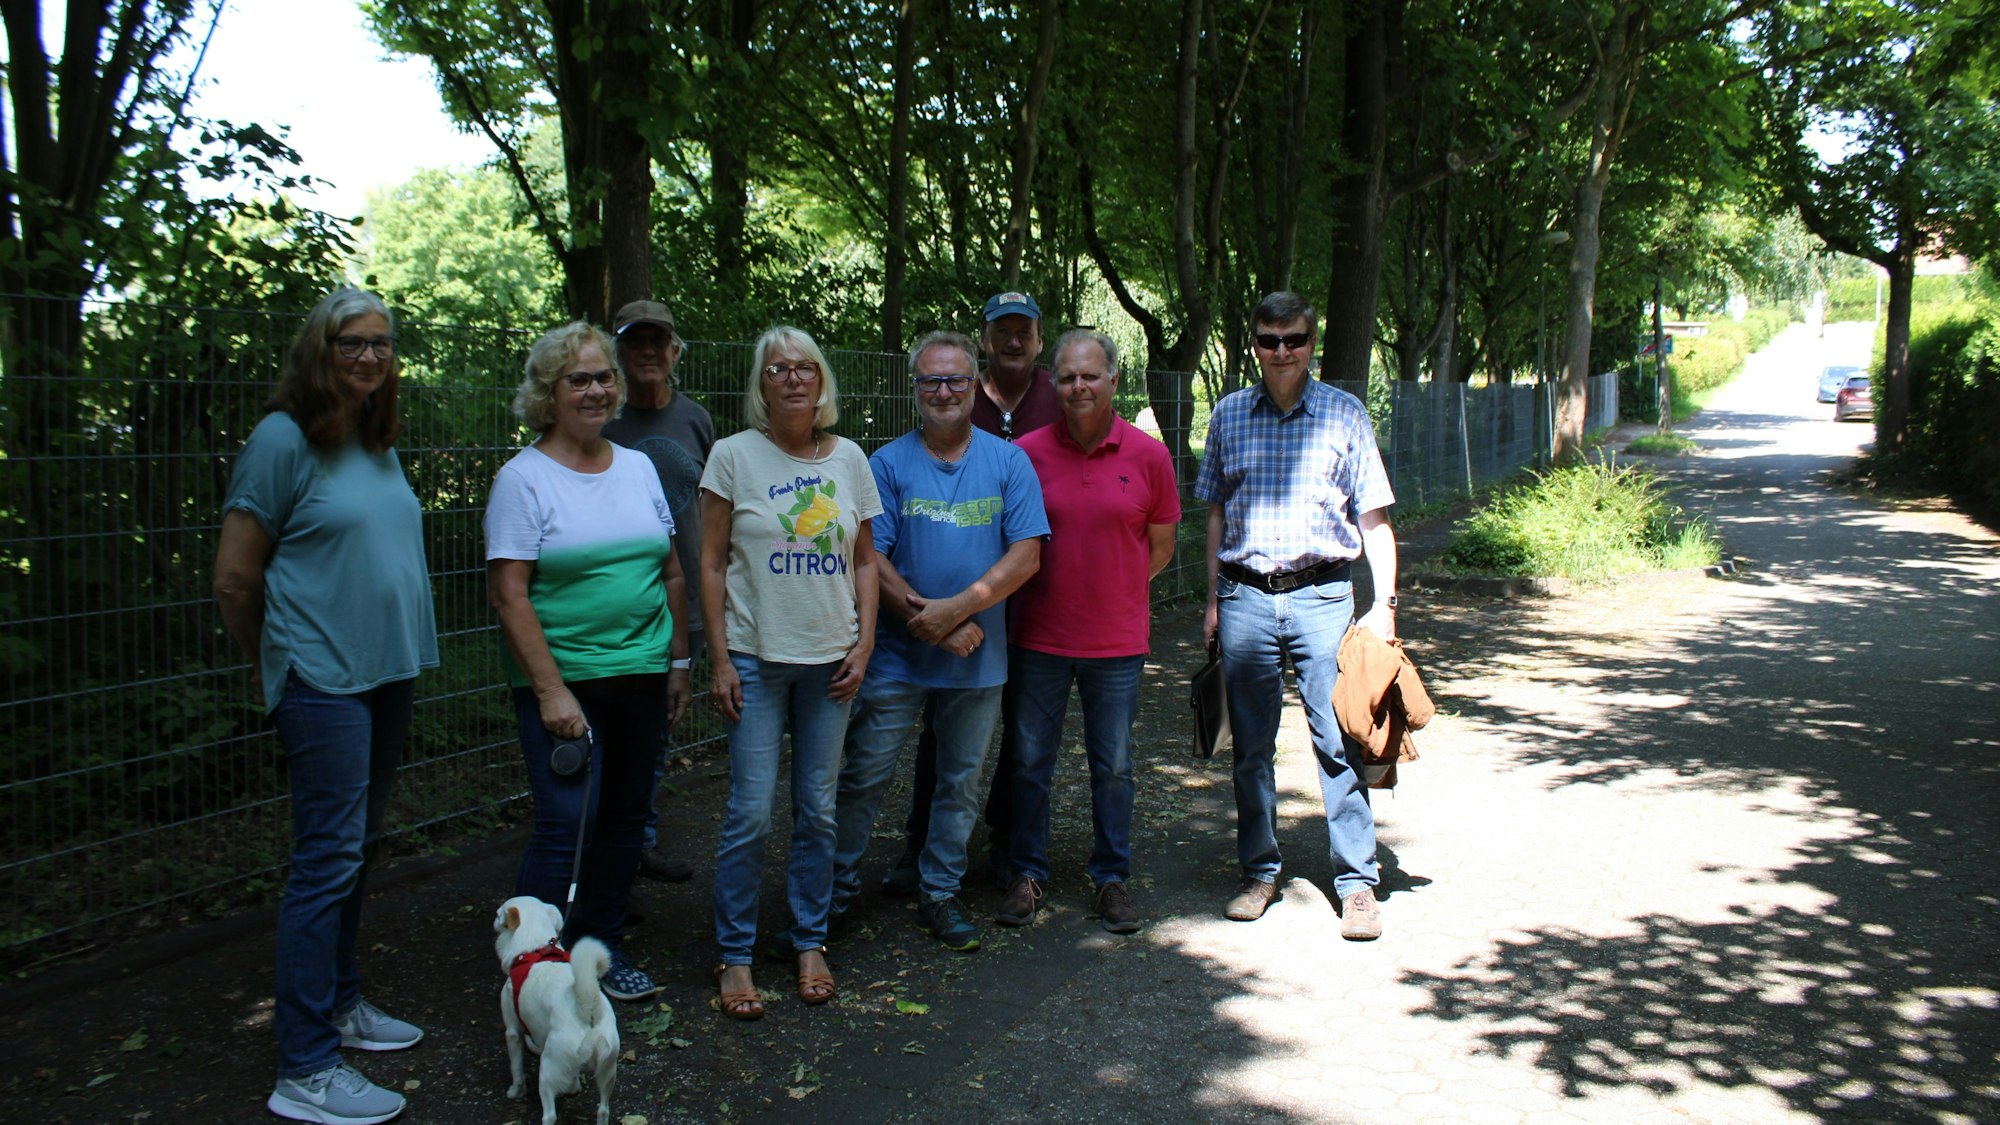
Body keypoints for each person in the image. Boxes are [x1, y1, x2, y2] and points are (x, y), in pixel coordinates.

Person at [214, 286, 440, 1125]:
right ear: (319, 349)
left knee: (358, 848)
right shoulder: (282, 439)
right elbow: (235, 576)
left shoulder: (373, 434)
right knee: (327, 859)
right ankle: (304, 1064)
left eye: (381, 342)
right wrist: (274, 660)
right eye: (353, 342)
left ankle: (341, 1003)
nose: (370, 356)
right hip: (323, 678)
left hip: (385, 671)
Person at [484, 321, 692, 1005]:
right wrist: (550, 691)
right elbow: (509, 593)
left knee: (626, 817)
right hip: (566, 681)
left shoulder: (636, 466)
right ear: (549, 393)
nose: (597, 390)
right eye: (579, 379)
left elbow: (670, 570)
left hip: (642, 673)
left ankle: (599, 947)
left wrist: (680, 661)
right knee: (567, 822)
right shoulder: (523, 479)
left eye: (605, 377)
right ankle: (533, 969)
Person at [832, 331, 1047, 953]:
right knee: (864, 775)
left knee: (960, 782)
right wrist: (934, 622)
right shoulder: (887, 465)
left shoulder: (1008, 463)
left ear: (975, 384)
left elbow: (1027, 555)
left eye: (955, 379)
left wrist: (958, 611)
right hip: (897, 656)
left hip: (978, 658)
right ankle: (832, 895)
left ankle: (941, 893)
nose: (944, 391)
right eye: (931, 380)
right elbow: (870, 557)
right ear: (915, 388)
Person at [1195, 292, 1399, 941]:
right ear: (1253, 344)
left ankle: (1357, 884)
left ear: (1312, 342)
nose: (1282, 351)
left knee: (1339, 739)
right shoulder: (1228, 414)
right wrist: (1212, 601)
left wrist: (1386, 605)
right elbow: (1216, 514)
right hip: (1246, 599)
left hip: (1323, 598)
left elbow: (1374, 519)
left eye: (1294, 339)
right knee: (1250, 747)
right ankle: (1259, 872)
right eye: (1269, 339)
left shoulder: (1345, 413)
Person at [700, 327, 881, 1019]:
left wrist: (864, 643)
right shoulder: (731, 457)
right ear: (762, 384)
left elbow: (865, 560)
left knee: (818, 810)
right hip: (754, 657)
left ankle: (810, 941)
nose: (794, 378)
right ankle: (735, 954)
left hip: (831, 660)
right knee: (750, 812)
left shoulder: (851, 459)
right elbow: (709, 564)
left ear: (822, 380)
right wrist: (719, 656)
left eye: (805, 367)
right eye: (778, 369)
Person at [1000, 330, 1180, 934]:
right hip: (1038, 638)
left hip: (1116, 643)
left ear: (1114, 381)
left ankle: (1111, 878)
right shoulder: (1024, 454)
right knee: (1029, 763)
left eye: (1090, 375)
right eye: (1068, 377)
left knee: (1115, 766)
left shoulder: (1149, 456)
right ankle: (1027, 874)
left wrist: (1114, 587)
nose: (1079, 386)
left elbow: (1160, 546)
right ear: (1053, 383)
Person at [882, 291, 1062, 896]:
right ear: (983, 340)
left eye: (1023, 331)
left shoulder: (1055, 395)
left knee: (1020, 736)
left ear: (1039, 339)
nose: (1013, 341)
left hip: (1032, 599)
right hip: (955, 608)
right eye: (1001, 330)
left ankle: (1009, 849)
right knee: (941, 730)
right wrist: (944, 613)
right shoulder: (958, 388)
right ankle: (921, 845)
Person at [601, 299, 713, 887]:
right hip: (619, 607)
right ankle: (605, 855)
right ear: (618, 352)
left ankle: (636, 844)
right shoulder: (601, 420)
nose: (647, 351)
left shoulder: (695, 420)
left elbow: (713, 508)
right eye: (634, 341)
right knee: (609, 734)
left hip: (685, 602)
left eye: (657, 341)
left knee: (656, 733)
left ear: (674, 351)